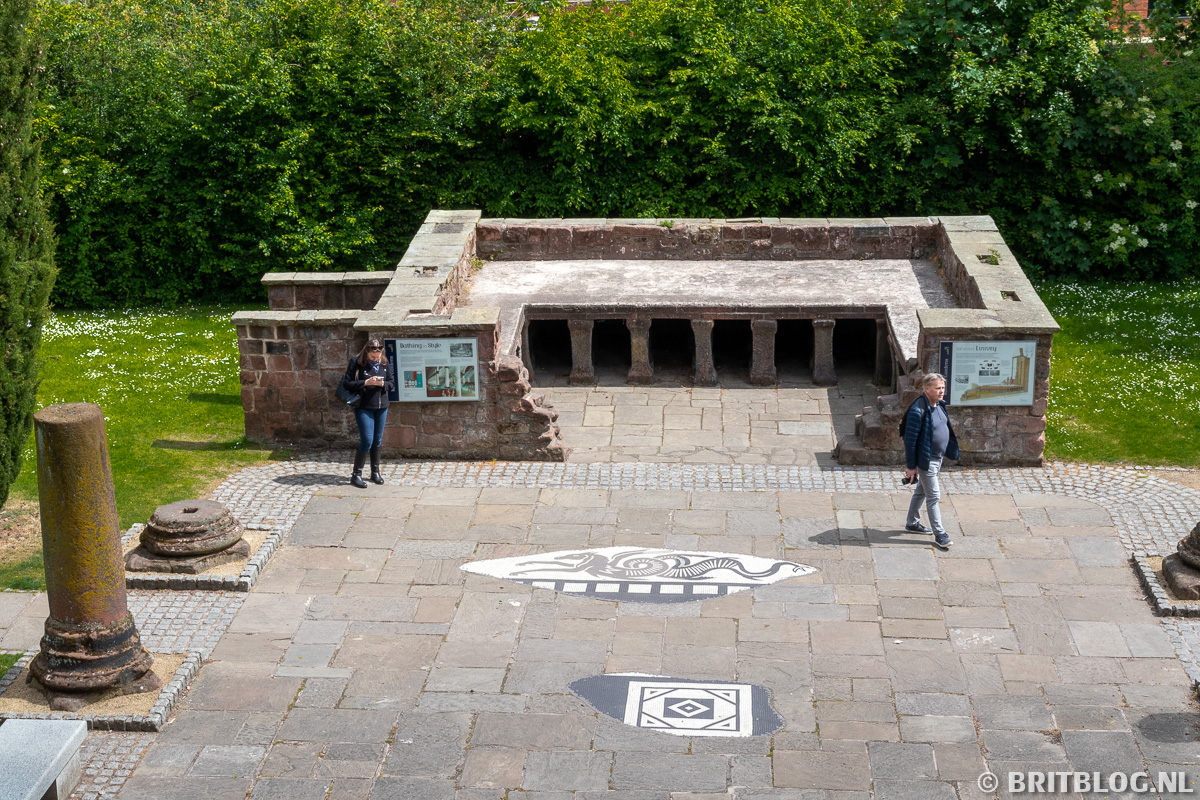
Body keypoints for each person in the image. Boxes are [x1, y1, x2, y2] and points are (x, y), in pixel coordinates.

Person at [903, 372, 959, 550]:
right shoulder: (916, 410)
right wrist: (911, 467)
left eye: (943, 388)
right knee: (933, 495)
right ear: (927, 389)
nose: (942, 391)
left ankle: (912, 523)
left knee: (921, 491)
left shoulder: (939, 405)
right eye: (938, 388)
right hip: (926, 460)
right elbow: (910, 441)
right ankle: (940, 534)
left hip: (937, 457)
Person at [342, 338, 395, 489]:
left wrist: (382, 384)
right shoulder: (356, 362)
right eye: (372, 356)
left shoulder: (384, 363)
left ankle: (375, 472)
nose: (375, 359)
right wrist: (365, 383)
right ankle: (356, 475)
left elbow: (391, 383)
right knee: (367, 440)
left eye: (377, 356)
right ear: (367, 352)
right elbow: (347, 383)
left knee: (377, 441)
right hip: (363, 407)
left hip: (381, 407)